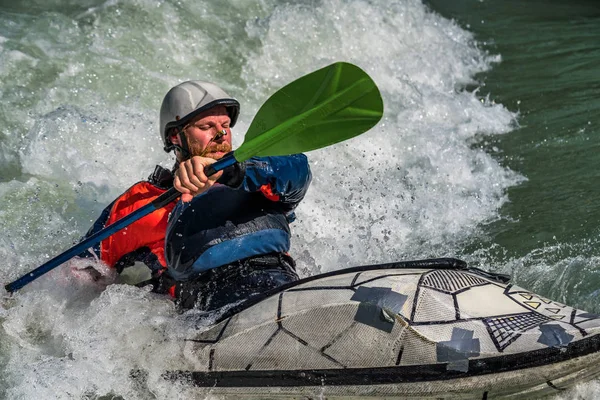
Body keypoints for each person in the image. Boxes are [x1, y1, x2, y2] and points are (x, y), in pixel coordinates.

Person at [76, 80, 311, 311]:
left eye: (226, 125)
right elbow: (82, 270)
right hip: (209, 315)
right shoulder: (141, 203)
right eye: (206, 126)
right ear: (175, 138)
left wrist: (231, 171)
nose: (221, 134)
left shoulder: (256, 175)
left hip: (282, 289)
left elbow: (298, 172)